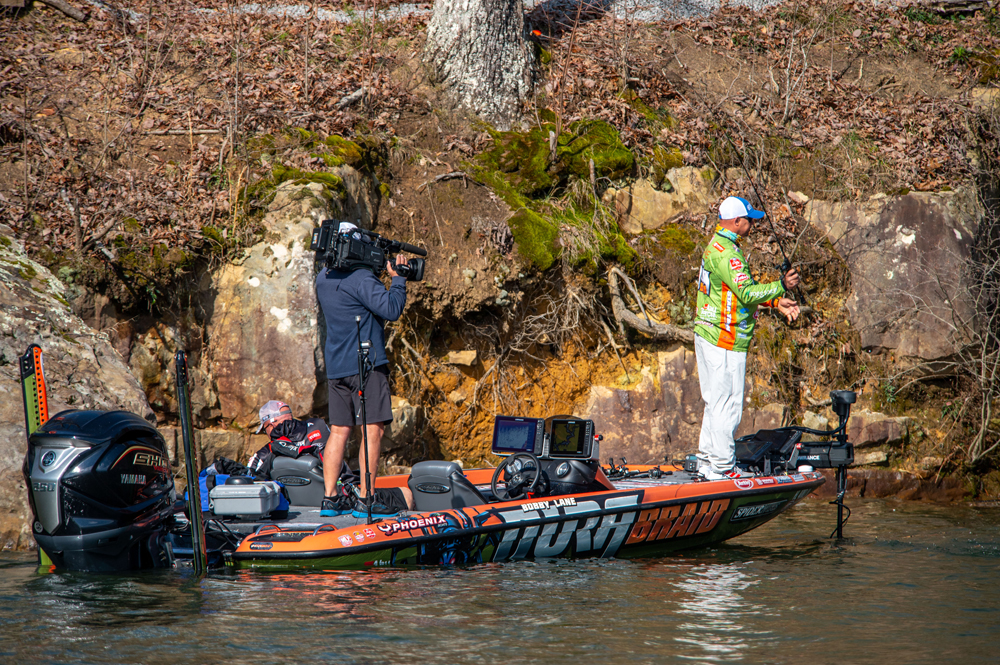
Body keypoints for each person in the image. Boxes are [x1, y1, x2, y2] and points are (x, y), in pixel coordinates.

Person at [693, 196, 801, 480]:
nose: (753, 223)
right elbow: (747, 293)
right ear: (737, 222)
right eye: (750, 219)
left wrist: (775, 303)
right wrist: (780, 286)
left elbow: (737, 292)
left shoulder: (717, 246)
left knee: (714, 402)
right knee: (727, 405)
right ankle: (722, 467)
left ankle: (707, 461)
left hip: (709, 332)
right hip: (724, 339)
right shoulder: (728, 254)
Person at [315, 222, 412, 519]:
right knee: (372, 431)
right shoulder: (362, 280)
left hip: (336, 367)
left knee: (340, 430)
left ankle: (330, 498)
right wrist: (398, 279)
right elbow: (392, 309)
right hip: (365, 365)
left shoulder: (323, 278)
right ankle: (367, 498)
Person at [251, 399, 413, 515]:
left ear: (270, 425)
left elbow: (250, 479)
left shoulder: (265, 453)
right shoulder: (318, 427)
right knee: (407, 493)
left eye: (264, 429)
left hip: (300, 508)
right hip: (345, 498)